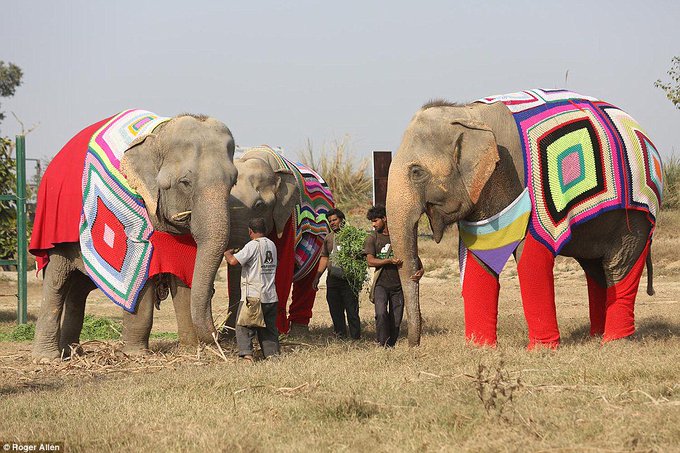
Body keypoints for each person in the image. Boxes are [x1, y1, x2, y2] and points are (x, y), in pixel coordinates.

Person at [364, 205, 423, 347]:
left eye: (376, 220)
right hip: (381, 285)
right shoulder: (372, 238)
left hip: (399, 286)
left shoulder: (400, 237)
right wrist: (388, 261)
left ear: (385, 218)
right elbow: (370, 261)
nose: (373, 224)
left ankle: (390, 345)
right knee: (381, 313)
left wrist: (420, 271)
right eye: (372, 221)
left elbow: (414, 258)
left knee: (396, 319)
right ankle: (382, 344)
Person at [224, 217, 280, 362]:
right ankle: (272, 356)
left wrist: (227, 253)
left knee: (243, 326)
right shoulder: (272, 244)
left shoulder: (252, 245)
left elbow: (233, 261)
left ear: (250, 231)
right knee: (268, 329)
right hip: (271, 296)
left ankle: (247, 356)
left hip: (253, 296)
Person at [312, 208, 361, 339]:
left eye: (335, 220)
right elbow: (324, 257)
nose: (332, 223)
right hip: (333, 280)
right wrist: (317, 277)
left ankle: (356, 338)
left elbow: (361, 256)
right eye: (330, 221)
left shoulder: (352, 235)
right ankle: (340, 336)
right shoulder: (328, 238)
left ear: (342, 220)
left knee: (352, 311)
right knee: (335, 311)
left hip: (349, 281)